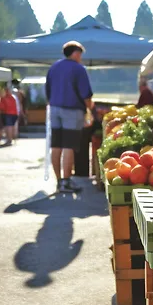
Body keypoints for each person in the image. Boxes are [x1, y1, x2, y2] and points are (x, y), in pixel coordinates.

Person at [45, 40, 94, 193]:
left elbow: (47, 90)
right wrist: (89, 109)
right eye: (80, 54)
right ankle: (66, 181)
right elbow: (85, 93)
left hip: (54, 108)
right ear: (76, 53)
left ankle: (59, 181)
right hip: (72, 110)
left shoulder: (53, 67)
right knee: (69, 145)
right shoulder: (79, 69)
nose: (81, 57)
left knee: (56, 145)